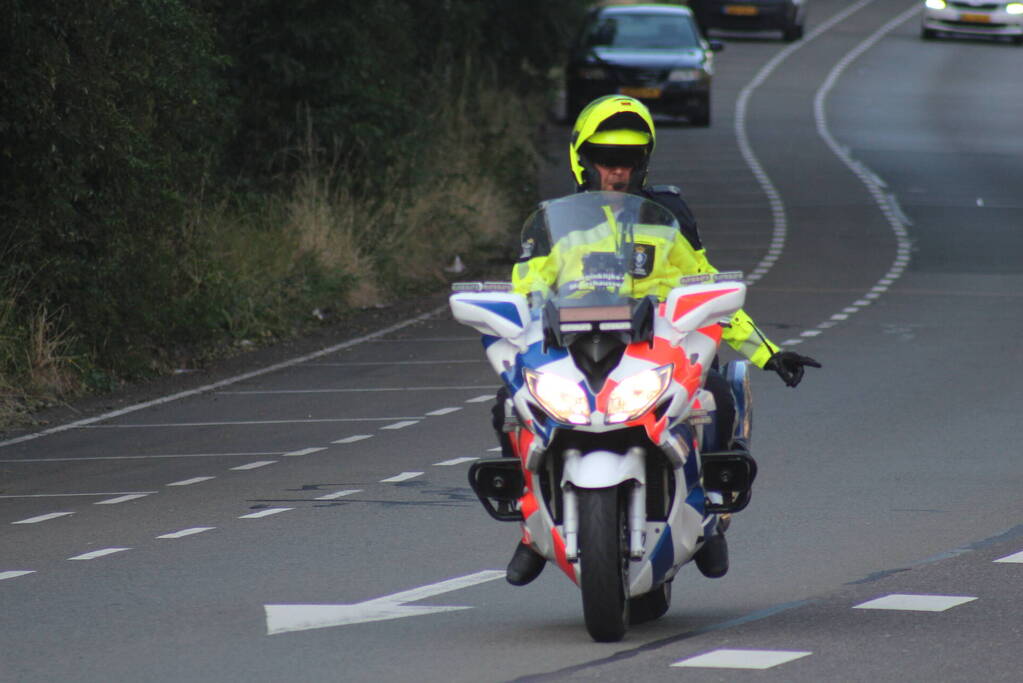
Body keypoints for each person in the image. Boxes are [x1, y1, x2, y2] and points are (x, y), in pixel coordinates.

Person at [500, 94, 820, 586]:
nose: (618, 173)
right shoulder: (551, 225)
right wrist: (507, 328)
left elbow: (708, 286)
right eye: (606, 161)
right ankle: (531, 527)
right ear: (583, 160)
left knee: (716, 397)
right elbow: (524, 294)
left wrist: (769, 353)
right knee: (507, 403)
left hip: (655, 350)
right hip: (572, 354)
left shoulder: (668, 217)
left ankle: (710, 521)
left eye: (628, 162)